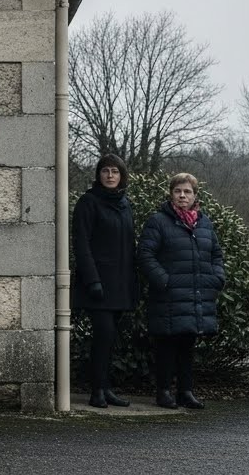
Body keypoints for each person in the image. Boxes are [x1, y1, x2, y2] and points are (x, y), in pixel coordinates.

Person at [138, 172, 224, 410]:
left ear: (195, 195)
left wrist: (217, 278)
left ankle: (186, 391)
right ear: (171, 194)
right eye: (178, 191)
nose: (182, 195)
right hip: (168, 296)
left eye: (187, 191)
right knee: (166, 344)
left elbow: (216, 254)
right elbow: (145, 255)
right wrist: (165, 281)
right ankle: (163, 391)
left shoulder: (204, 223)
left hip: (195, 295)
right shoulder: (158, 221)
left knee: (188, 344)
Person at [71, 154, 139, 409]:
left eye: (115, 171)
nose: (110, 175)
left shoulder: (125, 205)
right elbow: (81, 244)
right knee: (103, 335)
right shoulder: (88, 203)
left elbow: (129, 246)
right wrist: (92, 280)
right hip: (97, 285)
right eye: (105, 171)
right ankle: (96, 390)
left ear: (122, 176)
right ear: (98, 175)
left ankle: (106, 388)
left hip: (121, 284)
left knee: (111, 339)